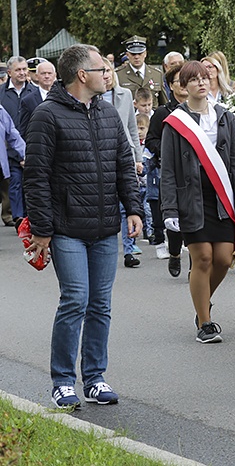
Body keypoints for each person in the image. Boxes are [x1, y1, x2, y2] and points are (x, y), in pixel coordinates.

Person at [24, 44, 142, 408]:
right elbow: (37, 177)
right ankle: (63, 380)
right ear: (81, 75)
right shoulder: (47, 115)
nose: (108, 74)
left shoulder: (107, 112)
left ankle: (94, 378)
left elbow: (124, 163)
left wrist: (133, 208)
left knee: (100, 305)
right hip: (66, 229)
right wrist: (43, 229)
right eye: (101, 69)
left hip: (106, 227)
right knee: (75, 300)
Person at [160, 61, 235, 344]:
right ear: (183, 87)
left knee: (224, 258)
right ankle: (205, 321)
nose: (201, 83)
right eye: (193, 80)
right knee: (202, 259)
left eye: (204, 78)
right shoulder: (175, 122)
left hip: (222, 197)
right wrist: (170, 208)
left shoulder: (224, 116)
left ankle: (203, 302)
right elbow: (169, 169)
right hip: (192, 199)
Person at [146, 64, 188, 274]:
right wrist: (164, 150)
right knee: (174, 216)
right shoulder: (163, 112)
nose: (184, 84)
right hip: (172, 173)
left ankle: (197, 264)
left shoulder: (201, 110)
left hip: (197, 173)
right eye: (179, 80)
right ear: (170, 86)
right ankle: (174, 253)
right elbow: (151, 140)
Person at [102, 61, 143, 268]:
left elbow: (132, 128)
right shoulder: (93, 96)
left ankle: (129, 249)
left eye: (108, 70)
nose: (106, 75)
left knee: (129, 202)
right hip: (103, 155)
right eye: (102, 71)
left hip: (124, 153)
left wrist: (138, 157)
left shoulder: (125, 94)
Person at [1, 56, 37, 226]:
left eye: (25, 69)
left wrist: (27, 153)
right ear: (9, 73)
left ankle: (30, 217)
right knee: (14, 184)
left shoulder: (34, 92)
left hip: (30, 146)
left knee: (30, 185)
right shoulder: (1, 93)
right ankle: (18, 218)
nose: (23, 73)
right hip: (8, 150)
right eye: (18, 70)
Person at [115, 36, 166, 108]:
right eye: (133, 54)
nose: (136, 57)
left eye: (140, 53)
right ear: (127, 55)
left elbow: (163, 103)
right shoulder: (118, 75)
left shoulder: (157, 74)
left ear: (145, 54)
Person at [19, 59, 56, 138]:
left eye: (49, 73)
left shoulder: (65, 97)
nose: (46, 76)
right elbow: (24, 130)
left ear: (55, 75)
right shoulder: (28, 101)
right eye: (43, 73)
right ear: (36, 76)